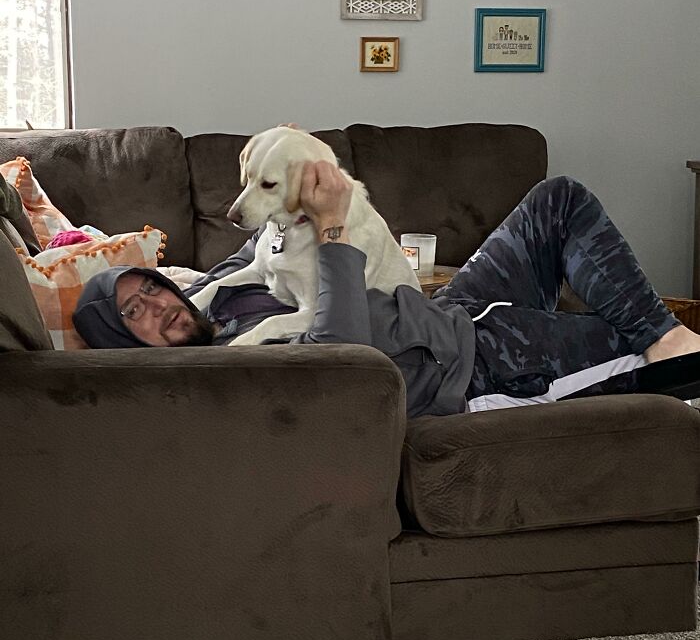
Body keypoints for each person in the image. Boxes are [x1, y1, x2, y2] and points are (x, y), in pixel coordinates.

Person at [72, 162, 700, 419]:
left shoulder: (216, 295)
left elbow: (262, 230)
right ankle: (664, 343)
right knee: (641, 349)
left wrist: (295, 171)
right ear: (125, 347)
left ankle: (662, 331)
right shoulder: (228, 362)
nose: (160, 304)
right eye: (135, 312)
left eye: (153, 287)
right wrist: (334, 225)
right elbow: (341, 354)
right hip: (474, 364)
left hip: (443, 309)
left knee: (557, 199)